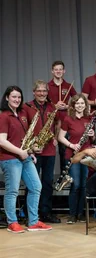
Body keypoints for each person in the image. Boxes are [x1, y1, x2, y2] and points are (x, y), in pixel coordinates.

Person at [0, 86, 52, 233]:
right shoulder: (3, 116)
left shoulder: (22, 114)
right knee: (12, 191)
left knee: (36, 187)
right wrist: (20, 152)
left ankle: (33, 222)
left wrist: (29, 152)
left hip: (24, 156)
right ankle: (12, 223)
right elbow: (2, 141)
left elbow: (24, 138)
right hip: (10, 159)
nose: (17, 100)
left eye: (19, 97)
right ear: (6, 98)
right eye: (13, 97)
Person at [24, 80, 61, 223]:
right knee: (32, 183)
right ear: (34, 92)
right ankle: (30, 214)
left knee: (47, 182)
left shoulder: (52, 107)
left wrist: (56, 137)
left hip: (49, 151)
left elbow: (58, 122)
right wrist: (29, 145)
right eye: (39, 91)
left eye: (44, 91)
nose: (42, 93)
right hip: (33, 151)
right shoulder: (27, 106)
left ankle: (45, 213)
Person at [57, 94, 95, 224]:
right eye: (77, 103)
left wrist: (93, 135)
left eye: (82, 103)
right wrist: (71, 145)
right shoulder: (68, 119)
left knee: (84, 185)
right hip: (73, 155)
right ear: (73, 105)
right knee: (76, 184)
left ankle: (81, 213)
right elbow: (60, 137)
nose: (80, 106)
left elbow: (92, 140)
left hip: (86, 155)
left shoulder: (89, 119)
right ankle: (72, 214)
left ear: (85, 105)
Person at [47, 61, 78, 176]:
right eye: (56, 69)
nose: (58, 71)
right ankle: (49, 178)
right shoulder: (47, 86)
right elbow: (43, 103)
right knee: (49, 151)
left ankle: (64, 176)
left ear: (64, 71)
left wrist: (68, 106)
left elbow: (78, 101)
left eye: (60, 69)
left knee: (64, 151)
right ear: (52, 71)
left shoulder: (68, 85)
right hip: (50, 123)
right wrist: (54, 106)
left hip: (65, 123)